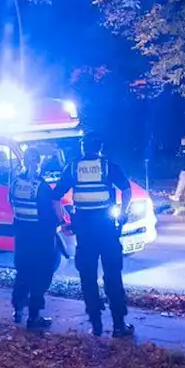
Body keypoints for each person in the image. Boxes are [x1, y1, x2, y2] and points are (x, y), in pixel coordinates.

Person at [55, 135, 133, 338]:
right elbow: (126, 189)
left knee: (87, 277)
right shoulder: (108, 167)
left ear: (83, 148)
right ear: (100, 148)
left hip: (84, 231)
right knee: (113, 276)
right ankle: (118, 326)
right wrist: (123, 212)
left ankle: (96, 324)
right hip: (107, 229)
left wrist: (64, 220)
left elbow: (56, 198)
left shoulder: (72, 168)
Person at [9, 147, 63, 331]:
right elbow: (51, 212)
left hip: (22, 238)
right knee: (41, 275)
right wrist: (60, 222)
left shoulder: (15, 184)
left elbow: (13, 207)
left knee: (23, 274)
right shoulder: (41, 186)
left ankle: (17, 310)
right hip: (41, 239)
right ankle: (34, 317)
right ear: (38, 162)